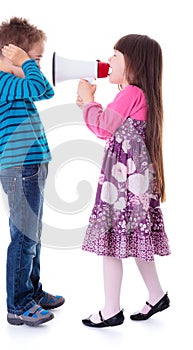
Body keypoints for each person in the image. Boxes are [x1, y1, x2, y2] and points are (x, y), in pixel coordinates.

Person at [76, 34, 170, 328]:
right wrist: (88, 107)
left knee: (110, 243)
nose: (110, 60)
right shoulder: (139, 95)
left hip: (122, 188)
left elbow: (104, 128)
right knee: (137, 240)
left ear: (134, 63)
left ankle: (110, 309)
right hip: (132, 186)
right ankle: (156, 295)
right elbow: (109, 126)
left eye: (115, 55)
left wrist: (90, 102)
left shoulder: (131, 93)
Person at [0, 17, 65, 327]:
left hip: (32, 167)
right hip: (20, 170)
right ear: (11, 53)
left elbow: (41, 87)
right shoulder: (0, 82)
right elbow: (42, 89)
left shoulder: (15, 84)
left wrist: (26, 63)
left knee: (34, 235)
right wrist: (24, 64)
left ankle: (32, 291)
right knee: (24, 237)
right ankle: (17, 304)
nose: (38, 65)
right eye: (35, 58)